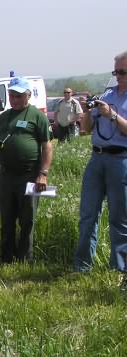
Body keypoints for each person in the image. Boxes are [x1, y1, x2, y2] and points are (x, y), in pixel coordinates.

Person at [73, 51, 127, 284]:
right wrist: (87, 111)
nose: (118, 76)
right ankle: (82, 265)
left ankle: (119, 268)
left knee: (119, 217)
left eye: (122, 72)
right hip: (97, 158)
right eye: (116, 71)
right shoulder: (107, 94)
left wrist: (112, 115)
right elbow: (85, 128)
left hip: (120, 160)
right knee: (87, 214)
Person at [0, 77, 52, 263]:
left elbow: (47, 146)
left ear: (28, 96)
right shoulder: (3, 117)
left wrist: (43, 174)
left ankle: (25, 257)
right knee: (6, 217)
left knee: (27, 218)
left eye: (18, 96)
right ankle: (6, 256)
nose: (14, 99)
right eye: (12, 95)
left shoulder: (37, 116)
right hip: (6, 175)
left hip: (29, 175)